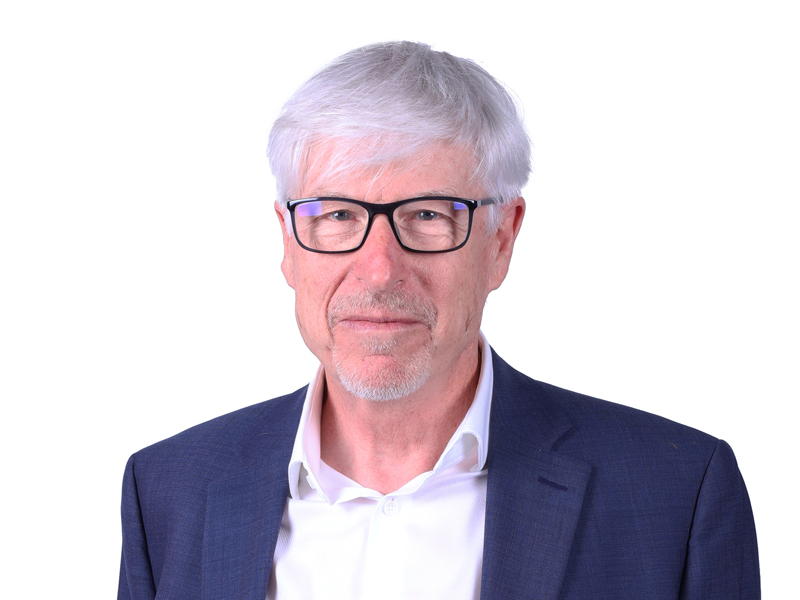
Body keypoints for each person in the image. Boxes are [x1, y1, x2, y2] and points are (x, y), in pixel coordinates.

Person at [118, 41, 759, 600]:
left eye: (427, 215)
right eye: (337, 215)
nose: (378, 270)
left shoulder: (676, 497)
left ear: (501, 240)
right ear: (287, 241)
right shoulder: (169, 493)